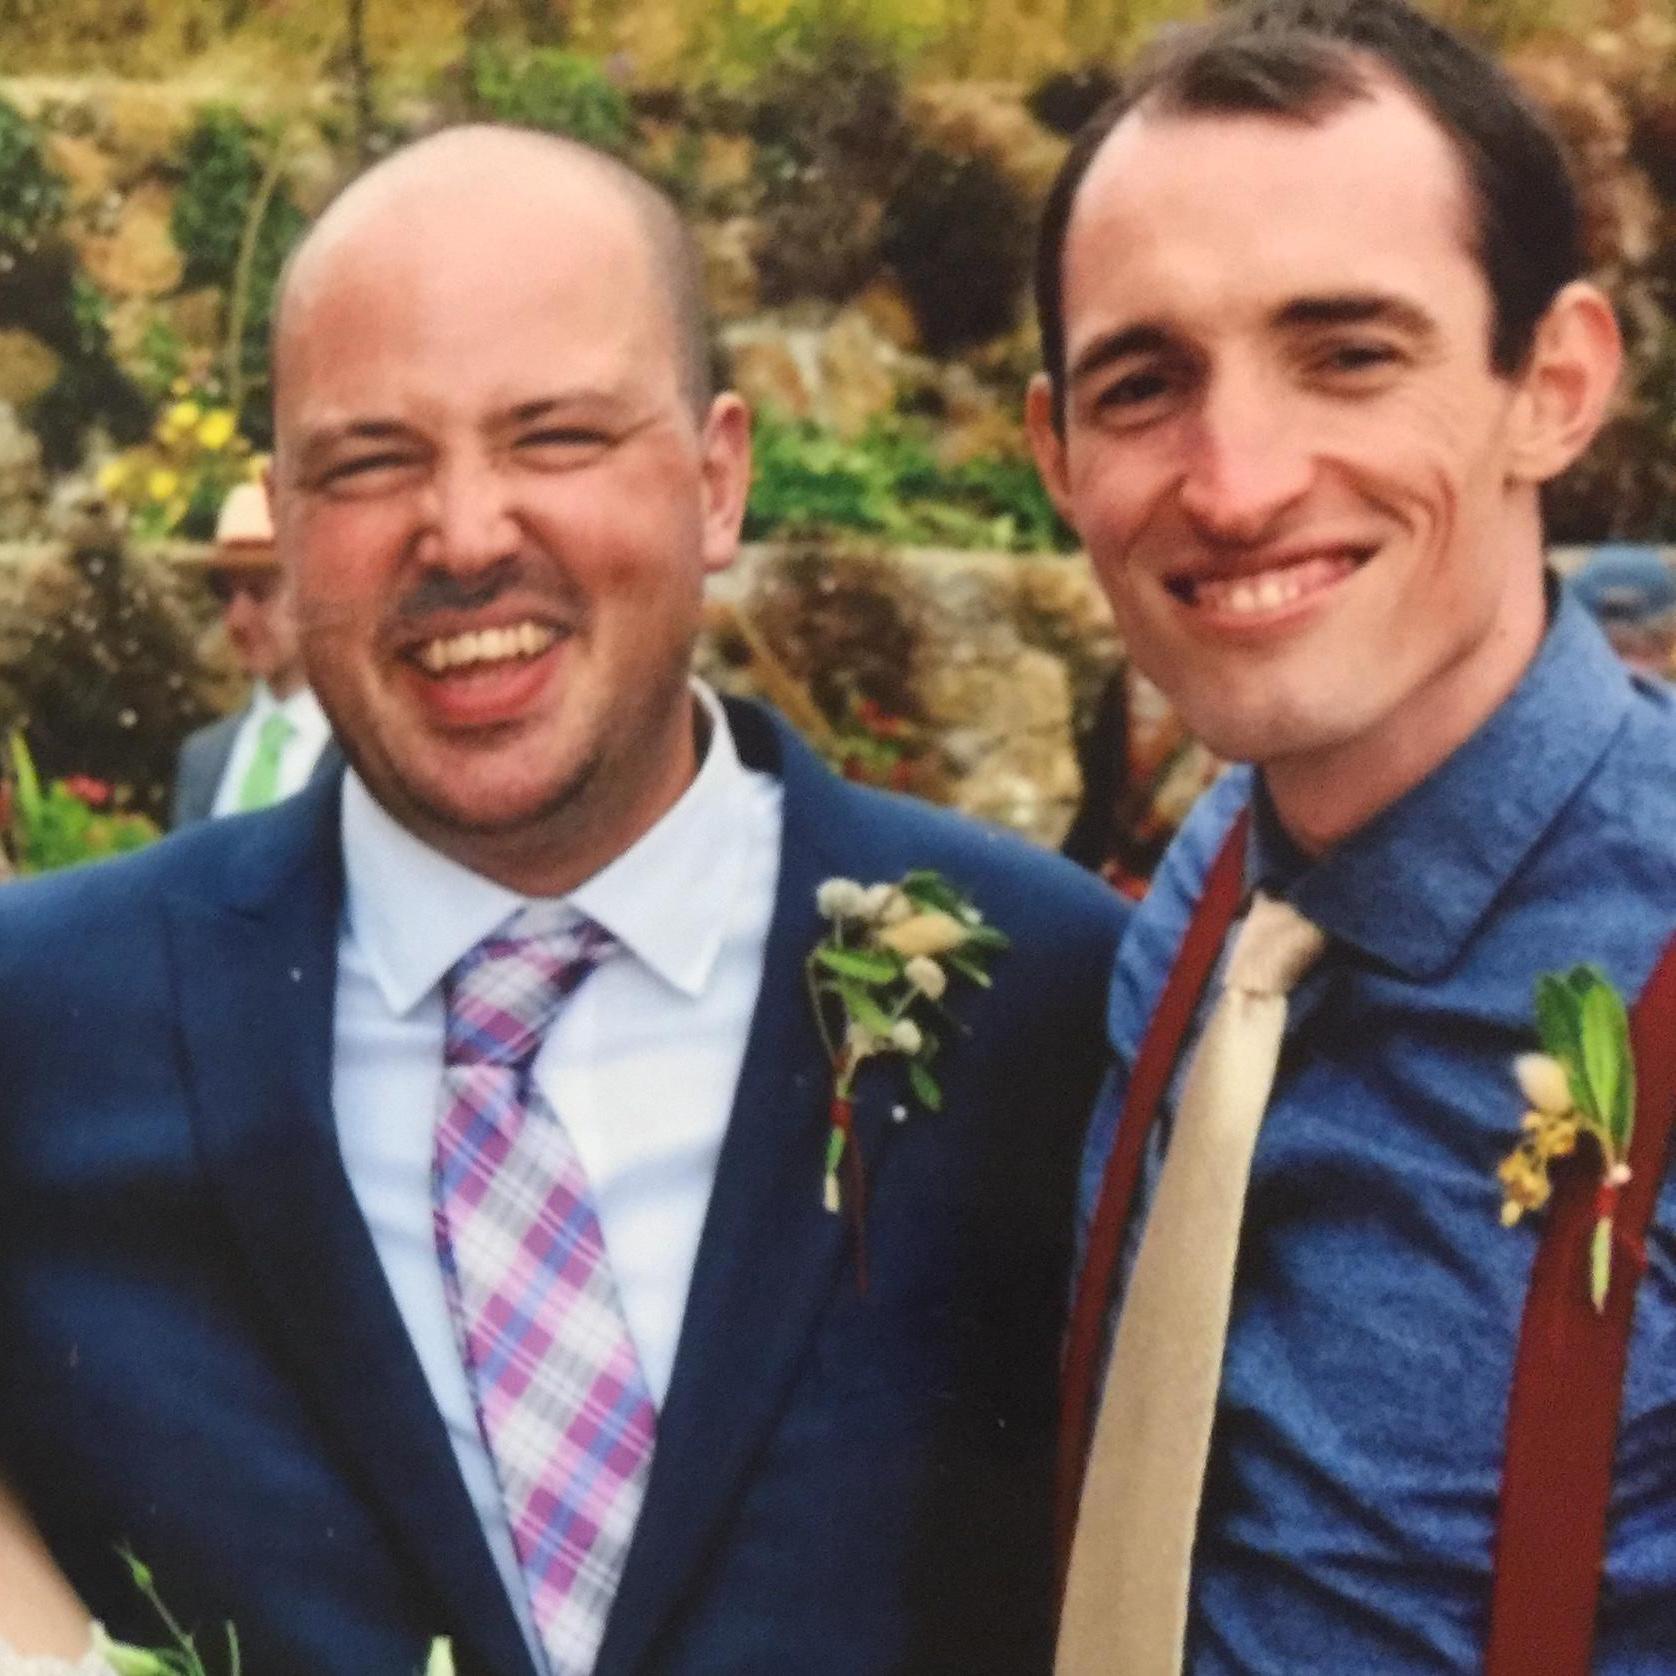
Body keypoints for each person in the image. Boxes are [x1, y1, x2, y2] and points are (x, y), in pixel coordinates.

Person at [0, 126, 1124, 1676]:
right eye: (368, 462)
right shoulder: (42, 1025)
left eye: (557, 437)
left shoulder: (1054, 1003)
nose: (465, 534)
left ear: (717, 481)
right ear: (285, 516)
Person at [1024, 0, 1676, 1670]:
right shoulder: (1200, 906)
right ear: (1056, 455)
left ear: (1553, 384)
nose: (1234, 485)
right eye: (1144, 384)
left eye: (1350, 355)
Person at [171, 480, 337, 826]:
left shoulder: (368, 760)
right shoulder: (202, 758)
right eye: (225, 595)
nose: (237, 620)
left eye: (260, 592)